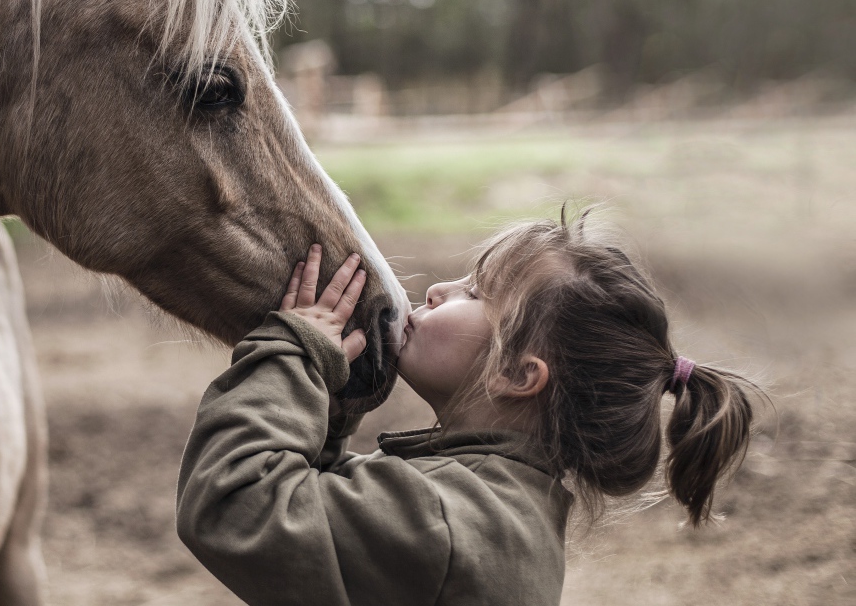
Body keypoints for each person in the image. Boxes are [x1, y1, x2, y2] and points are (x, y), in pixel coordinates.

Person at [177, 211, 763, 605]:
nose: (437, 290)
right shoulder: (491, 508)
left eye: (476, 292)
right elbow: (329, 517)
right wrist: (332, 395)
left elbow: (236, 503)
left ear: (517, 374)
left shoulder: (445, 520)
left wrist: (291, 356)